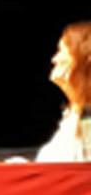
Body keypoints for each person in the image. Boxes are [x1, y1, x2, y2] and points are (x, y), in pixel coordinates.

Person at [36, 21, 91, 162]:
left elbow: (85, 164)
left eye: (61, 50)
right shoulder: (75, 111)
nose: (54, 59)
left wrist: (78, 102)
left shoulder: (85, 114)